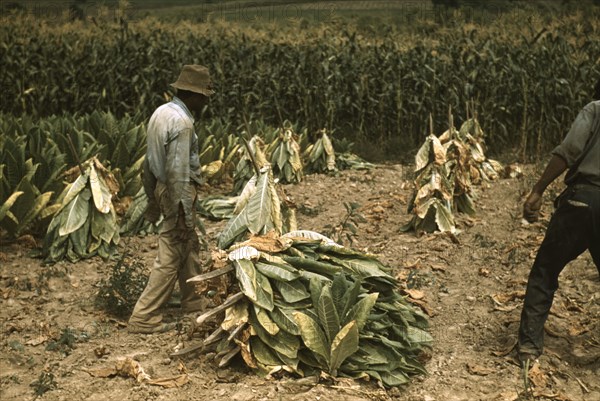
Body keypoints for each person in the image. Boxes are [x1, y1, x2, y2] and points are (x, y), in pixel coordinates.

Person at [518, 78, 600, 365]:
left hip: (581, 200)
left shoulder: (594, 109)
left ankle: (529, 348)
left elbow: (568, 151)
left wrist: (538, 190)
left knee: (545, 270)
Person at [128, 65, 215, 334]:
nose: (204, 102)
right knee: (172, 250)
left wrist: (153, 198)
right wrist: (183, 211)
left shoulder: (161, 113)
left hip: (165, 189)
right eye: (203, 96)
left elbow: (148, 162)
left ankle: (193, 302)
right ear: (193, 95)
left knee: (189, 245)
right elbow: (177, 171)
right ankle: (144, 317)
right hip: (178, 191)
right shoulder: (182, 123)